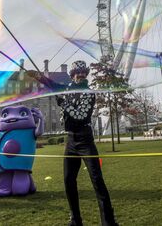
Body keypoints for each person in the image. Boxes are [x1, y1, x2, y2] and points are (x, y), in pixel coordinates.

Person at [55, 61, 118, 226]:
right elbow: (52, 85)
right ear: (73, 74)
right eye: (78, 72)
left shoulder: (89, 93)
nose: (81, 75)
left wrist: (64, 104)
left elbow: (80, 116)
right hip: (70, 140)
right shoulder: (68, 89)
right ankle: (75, 220)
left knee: (97, 180)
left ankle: (108, 222)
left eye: (84, 72)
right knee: (68, 180)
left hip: (85, 140)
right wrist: (39, 77)